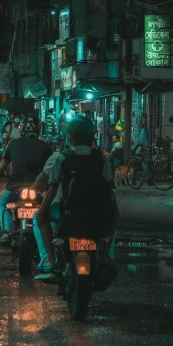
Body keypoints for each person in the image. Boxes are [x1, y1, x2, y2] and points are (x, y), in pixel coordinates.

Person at [34, 117, 118, 281]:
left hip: (66, 211)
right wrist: (115, 211)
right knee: (113, 223)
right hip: (97, 210)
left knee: (41, 219)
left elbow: (52, 189)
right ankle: (106, 257)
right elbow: (109, 189)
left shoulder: (62, 158)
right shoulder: (101, 159)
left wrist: (42, 211)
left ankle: (50, 260)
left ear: (70, 136)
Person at [0, 116, 52, 246]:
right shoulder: (45, 146)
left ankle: (5, 232)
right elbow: (50, 167)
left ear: (21, 130)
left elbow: (4, 163)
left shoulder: (13, 143)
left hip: (14, 186)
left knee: (4, 205)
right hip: (38, 187)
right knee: (45, 207)